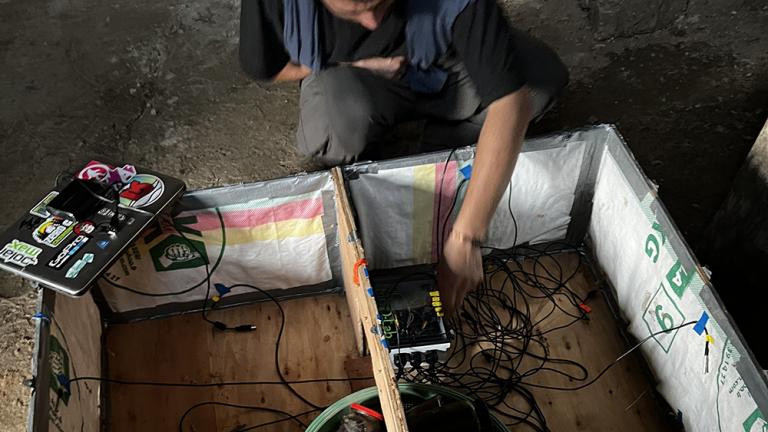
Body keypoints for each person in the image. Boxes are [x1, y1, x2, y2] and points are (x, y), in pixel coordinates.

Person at [239, 0, 569, 314]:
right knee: (338, 128)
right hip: (351, 73)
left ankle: (445, 147)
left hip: (442, 56)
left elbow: (511, 102)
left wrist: (465, 237)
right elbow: (271, 67)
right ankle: (377, 146)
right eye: (355, 11)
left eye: (381, 4)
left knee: (539, 83)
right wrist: (352, 62)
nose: (372, 22)